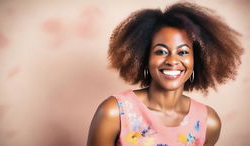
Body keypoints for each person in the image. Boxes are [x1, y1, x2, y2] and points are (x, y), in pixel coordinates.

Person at [87, 2, 243, 146]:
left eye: (182, 52)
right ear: (145, 58)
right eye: (161, 51)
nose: (172, 60)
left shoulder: (208, 122)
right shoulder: (114, 112)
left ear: (197, 60)